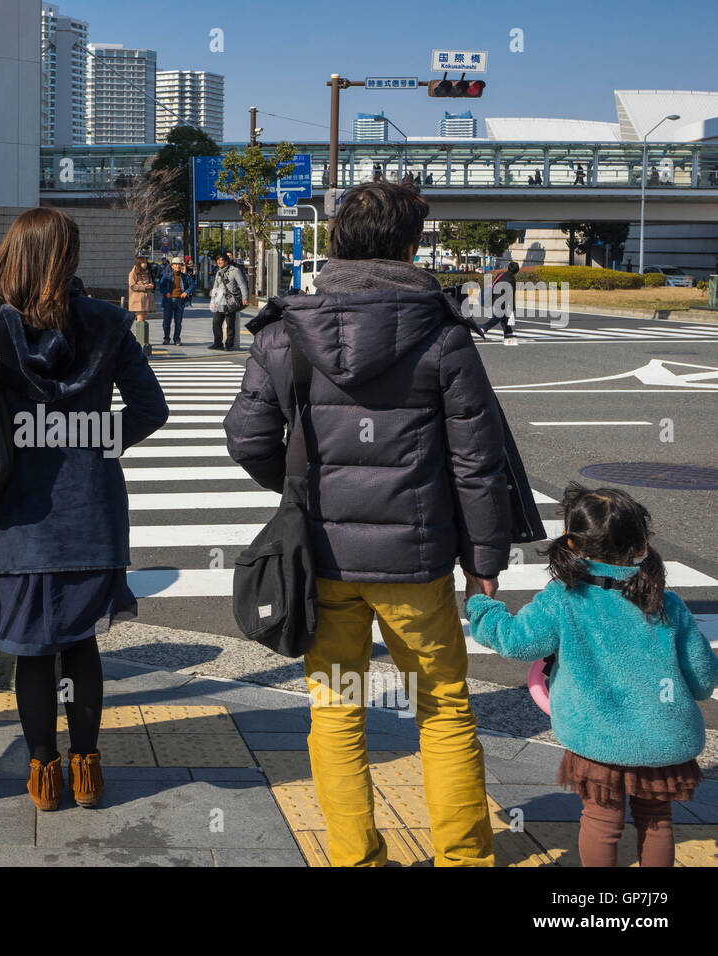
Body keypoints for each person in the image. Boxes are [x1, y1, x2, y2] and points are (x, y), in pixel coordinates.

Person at [224, 180, 510, 867]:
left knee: (337, 709)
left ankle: (355, 858)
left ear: (339, 244)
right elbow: (477, 461)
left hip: (321, 559)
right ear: (410, 247)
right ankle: (465, 859)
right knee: (441, 708)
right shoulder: (441, 332)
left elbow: (246, 437)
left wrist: (300, 493)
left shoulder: (286, 328)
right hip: (416, 564)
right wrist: (485, 563)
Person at [0, 208, 168, 812]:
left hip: (14, 517)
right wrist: (92, 439)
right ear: (68, 258)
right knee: (82, 646)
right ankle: (88, 771)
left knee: (31, 649)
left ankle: (43, 774)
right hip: (88, 512)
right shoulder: (109, 324)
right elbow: (151, 410)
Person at [467, 486, 718, 867]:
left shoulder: (565, 597)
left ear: (572, 543)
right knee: (657, 821)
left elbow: (516, 642)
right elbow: (701, 679)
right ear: (642, 543)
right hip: (663, 738)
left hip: (598, 736)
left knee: (602, 821)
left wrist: (482, 607)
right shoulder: (666, 602)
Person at [209, 251, 249, 351]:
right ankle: (218, 343)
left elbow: (242, 285)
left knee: (230, 324)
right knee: (216, 323)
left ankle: (229, 344)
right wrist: (213, 301)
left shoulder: (235, 270)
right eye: (217, 260)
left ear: (226, 261)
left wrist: (245, 297)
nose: (218, 261)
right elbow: (215, 286)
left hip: (230, 301)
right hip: (219, 301)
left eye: (221, 260)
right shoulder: (218, 272)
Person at [480, 260, 520, 345]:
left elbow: (494, 284)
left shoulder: (500, 274)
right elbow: (511, 294)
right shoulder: (512, 280)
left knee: (504, 317)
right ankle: (483, 328)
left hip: (494, 298)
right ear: (516, 271)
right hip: (502, 301)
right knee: (497, 318)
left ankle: (508, 332)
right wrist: (512, 307)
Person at [157, 255, 194, 346]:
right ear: (172, 266)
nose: (177, 266)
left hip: (180, 301)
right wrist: (166, 292)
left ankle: (177, 339)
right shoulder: (167, 275)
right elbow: (161, 285)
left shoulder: (185, 276)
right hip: (168, 301)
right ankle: (166, 338)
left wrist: (186, 292)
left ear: (181, 266)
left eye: (179, 264)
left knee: (178, 322)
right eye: (175, 264)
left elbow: (192, 285)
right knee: (166, 322)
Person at [127, 255, 155, 323]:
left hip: (146, 298)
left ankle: (143, 333)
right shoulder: (133, 272)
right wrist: (144, 287)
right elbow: (132, 285)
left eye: (145, 262)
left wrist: (151, 285)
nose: (145, 264)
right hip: (138, 299)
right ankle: (140, 333)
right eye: (143, 262)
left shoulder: (147, 272)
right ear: (139, 263)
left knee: (144, 319)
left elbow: (150, 281)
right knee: (140, 320)